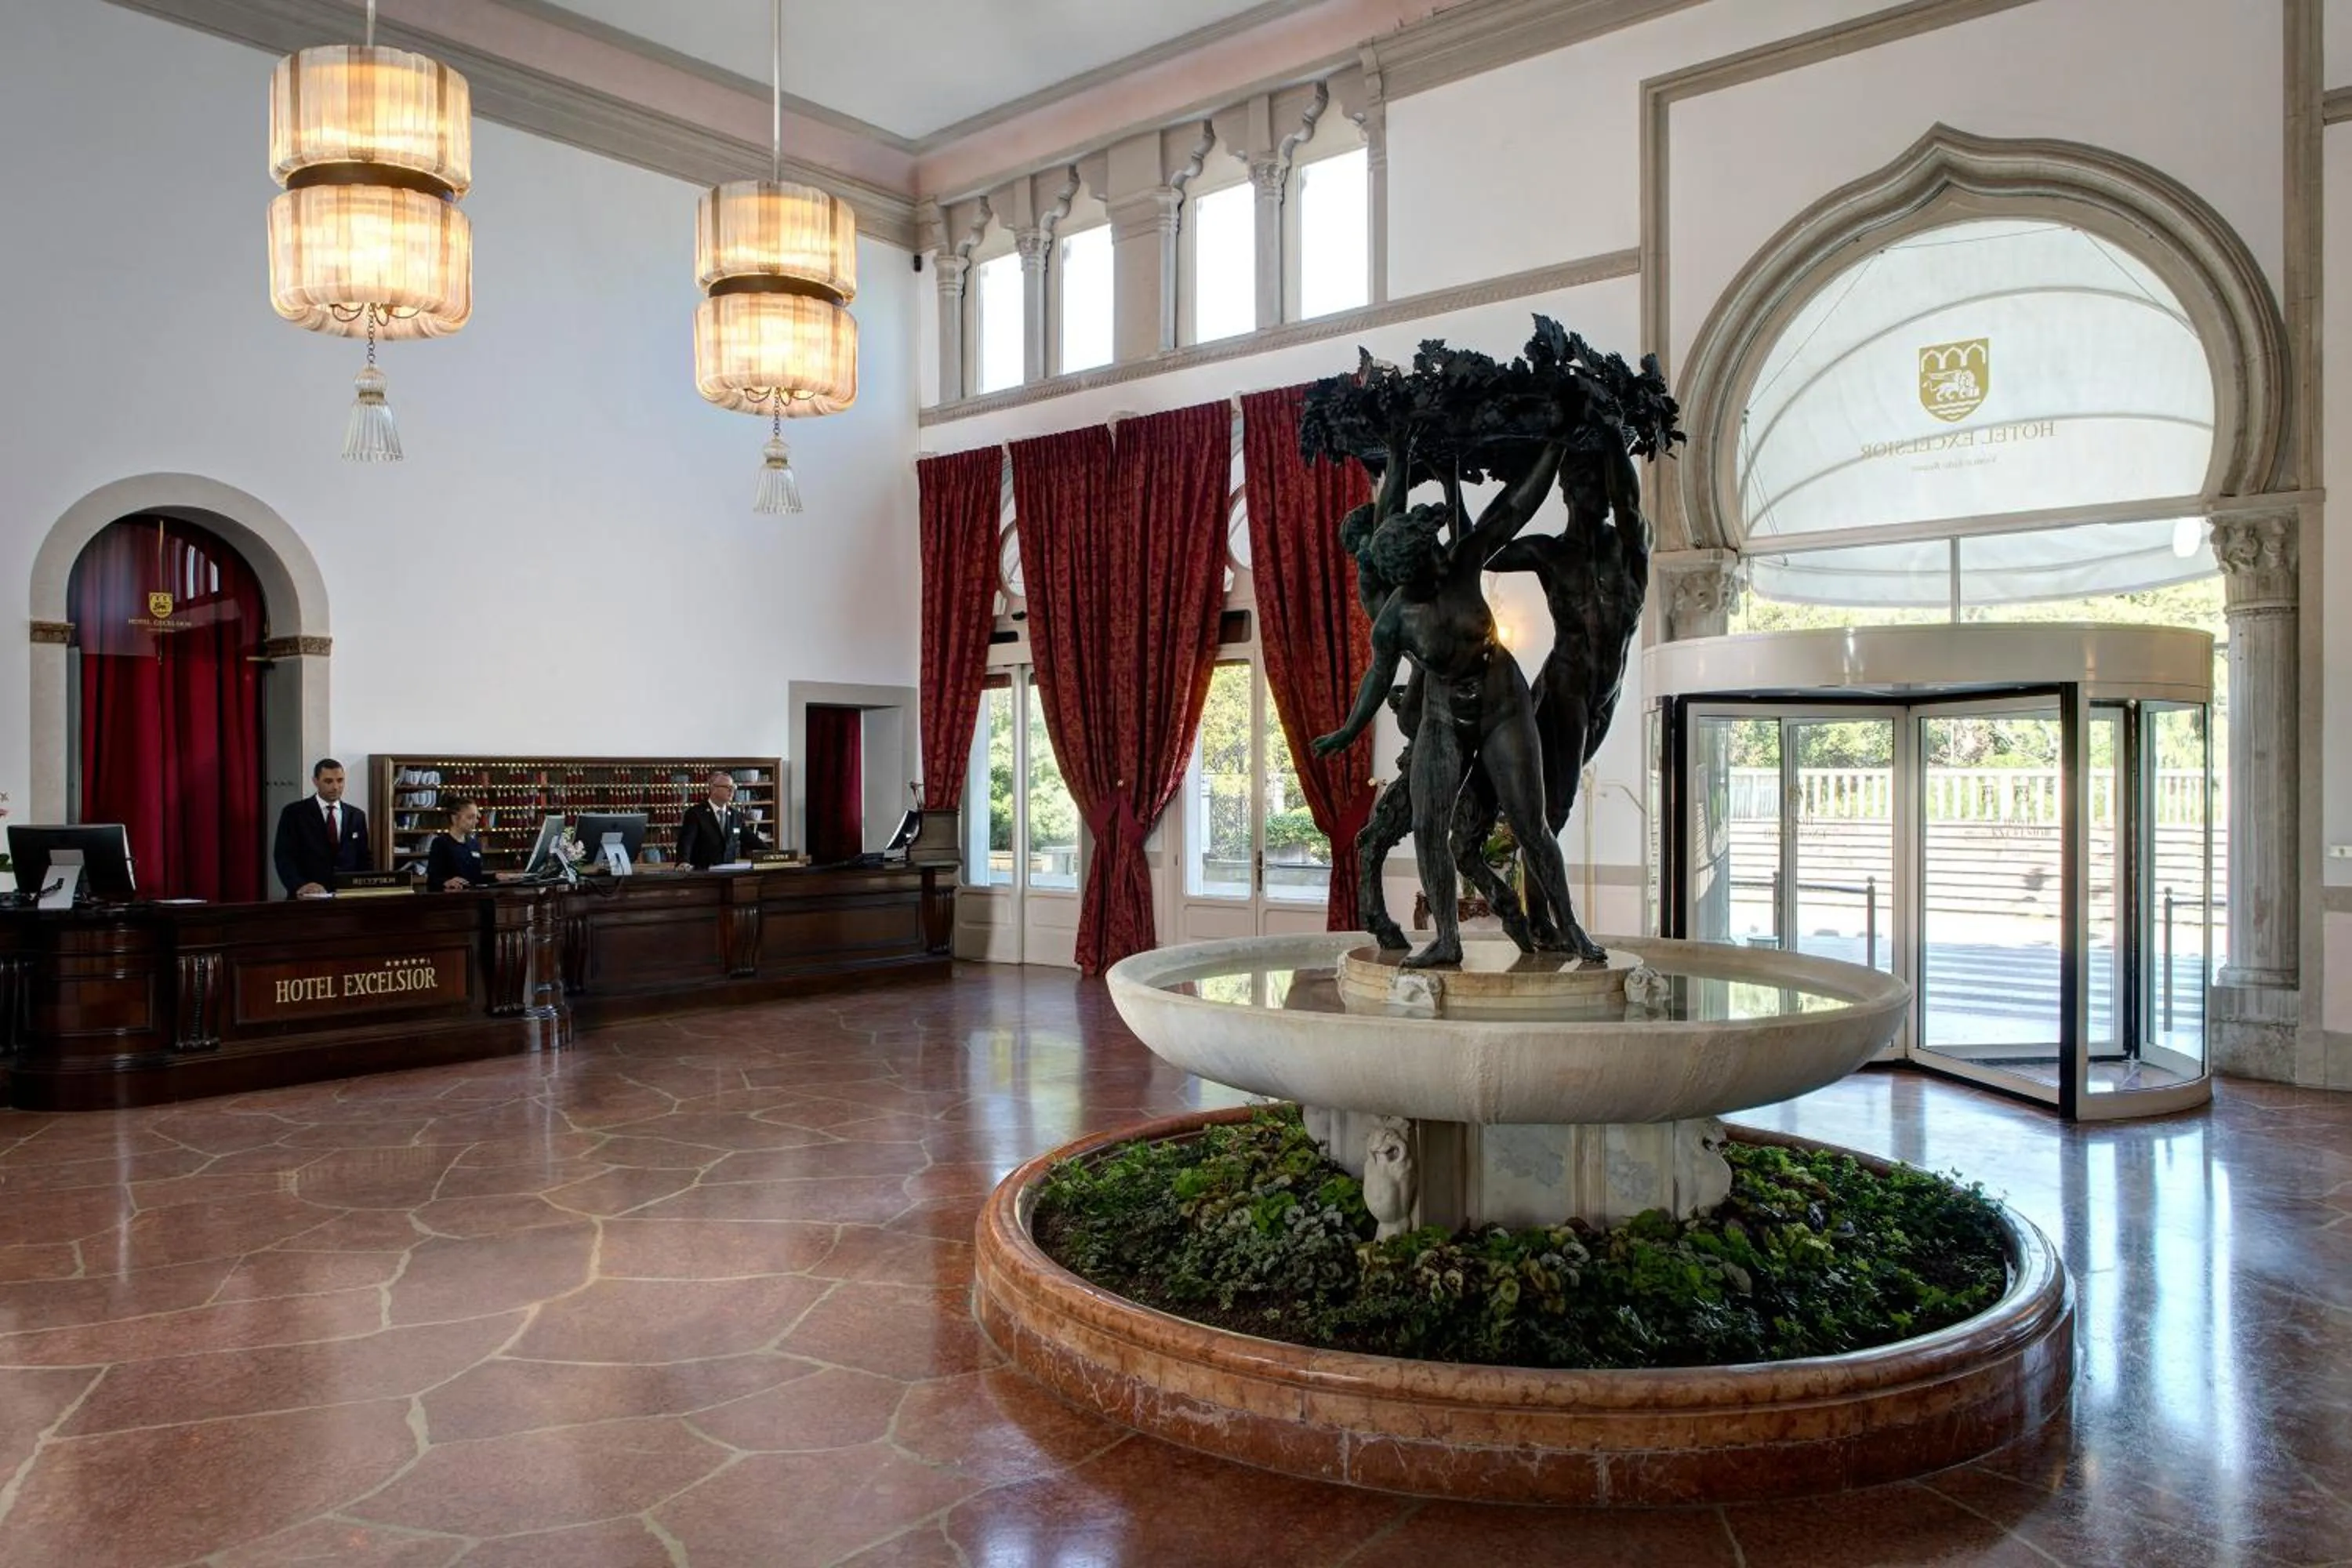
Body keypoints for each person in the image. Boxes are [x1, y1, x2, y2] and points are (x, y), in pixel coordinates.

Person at [273, 758, 372, 898]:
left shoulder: (357, 816)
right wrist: (299, 885)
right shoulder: (294, 813)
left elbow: (363, 857)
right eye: (328, 781)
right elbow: (284, 856)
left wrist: (364, 888)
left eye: (340, 780)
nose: (336, 787)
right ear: (315, 781)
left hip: (347, 896)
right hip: (307, 896)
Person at [676, 771, 768, 869]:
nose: (732, 791)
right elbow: (686, 842)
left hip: (729, 874)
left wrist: (775, 856)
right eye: (728, 787)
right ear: (713, 788)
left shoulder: (735, 815)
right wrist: (683, 862)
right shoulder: (696, 813)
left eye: (733, 787)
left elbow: (752, 841)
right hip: (704, 873)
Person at [424, 799, 519, 891]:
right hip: (452, 899)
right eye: (470, 817)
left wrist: (495, 877)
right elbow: (433, 879)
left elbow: (475, 878)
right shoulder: (441, 843)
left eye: (476, 817)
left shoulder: (474, 844)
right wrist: (446, 882)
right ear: (454, 818)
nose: (476, 821)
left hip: (475, 898)